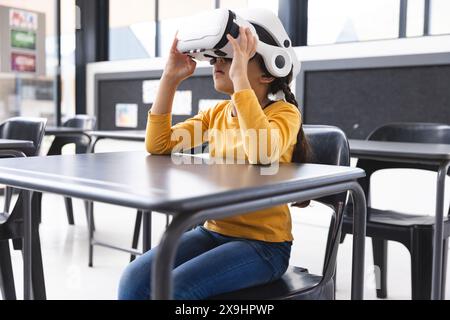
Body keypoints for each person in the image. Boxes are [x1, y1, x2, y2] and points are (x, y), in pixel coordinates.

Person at [118, 10, 310, 300]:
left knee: (176, 290)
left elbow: (262, 152)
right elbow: (158, 144)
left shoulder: (284, 113)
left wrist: (240, 81)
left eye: (230, 57)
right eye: (217, 58)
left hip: (264, 246)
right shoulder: (216, 114)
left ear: (269, 72)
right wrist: (169, 78)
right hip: (214, 232)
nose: (218, 64)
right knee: (134, 279)